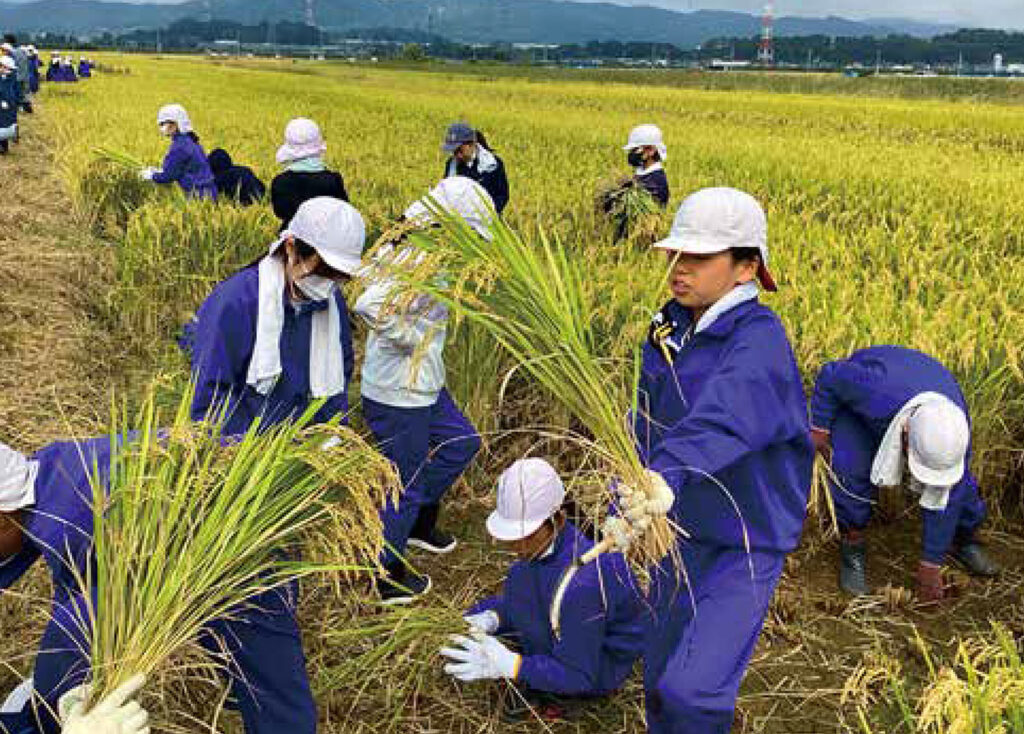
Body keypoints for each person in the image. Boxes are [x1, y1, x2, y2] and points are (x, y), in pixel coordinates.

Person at [633, 187, 812, 733]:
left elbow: (723, 417)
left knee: (692, 691)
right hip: (679, 525)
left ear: (745, 267)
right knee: (659, 673)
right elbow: (648, 408)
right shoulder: (671, 324)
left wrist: (663, 474)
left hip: (744, 539)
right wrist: (633, 474)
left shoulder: (759, 342)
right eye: (676, 255)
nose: (679, 269)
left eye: (698, 257)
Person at [0, 436, 318, 734]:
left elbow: (79, 620)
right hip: (211, 521)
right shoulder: (50, 469)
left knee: (270, 682)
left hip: (245, 544)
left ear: (3, 518)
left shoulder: (67, 524)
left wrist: (59, 695)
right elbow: (77, 592)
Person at [354, 176, 487, 604]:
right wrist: (413, 338)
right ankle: (385, 573)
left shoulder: (434, 252)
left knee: (460, 441)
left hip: (424, 383)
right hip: (398, 392)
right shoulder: (414, 253)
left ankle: (414, 524)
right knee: (405, 482)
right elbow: (368, 302)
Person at [440, 458, 643, 722]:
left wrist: (514, 666)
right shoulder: (538, 556)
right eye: (512, 536)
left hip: (598, 667)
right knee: (522, 581)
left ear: (557, 519)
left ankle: (561, 695)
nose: (517, 546)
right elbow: (530, 599)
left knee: (570, 674)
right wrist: (492, 617)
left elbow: (579, 673)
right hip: (569, 624)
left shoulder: (584, 581)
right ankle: (540, 672)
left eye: (526, 535)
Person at [809, 346, 999, 602]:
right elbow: (830, 374)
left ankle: (965, 540)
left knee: (960, 489)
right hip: (865, 409)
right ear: (906, 436)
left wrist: (931, 564)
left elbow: (948, 497)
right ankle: (852, 547)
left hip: (917, 386)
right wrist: (819, 426)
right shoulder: (875, 390)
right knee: (850, 470)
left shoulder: (954, 430)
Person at [186, 197, 361, 435]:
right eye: (323, 270)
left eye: (339, 275)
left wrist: (330, 435)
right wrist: (243, 453)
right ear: (290, 247)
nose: (328, 282)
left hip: (306, 442)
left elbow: (340, 371)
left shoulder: (330, 301)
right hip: (247, 446)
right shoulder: (238, 300)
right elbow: (210, 394)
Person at [270, 118, 348, 230]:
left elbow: (280, 213)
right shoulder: (333, 180)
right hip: (328, 241)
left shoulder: (281, 182)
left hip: (293, 242)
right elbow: (344, 211)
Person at [139, 104, 217, 200]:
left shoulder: (180, 146)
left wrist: (152, 176)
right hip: (209, 192)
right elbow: (180, 168)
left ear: (175, 124)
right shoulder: (190, 140)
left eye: (164, 124)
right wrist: (159, 171)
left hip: (197, 195)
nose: (162, 128)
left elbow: (170, 176)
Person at [441, 122, 509, 214]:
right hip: (459, 220)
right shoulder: (451, 165)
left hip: (488, 219)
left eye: (459, 150)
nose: (457, 155)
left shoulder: (493, 164)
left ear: (471, 145)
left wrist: (489, 214)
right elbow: (445, 194)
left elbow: (502, 195)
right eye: (454, 151)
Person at [623, 124, 669, 207]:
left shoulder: (656, 180)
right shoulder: (642, 172)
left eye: (635, 150)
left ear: (651, 150)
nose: (632, 154)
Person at [0, 56, 18, 155]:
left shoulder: (11, 78)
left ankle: (4, 146)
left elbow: (15, 91)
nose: (9, 71)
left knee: (6, 125)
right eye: (7, 68)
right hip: (2, 105)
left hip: (9, 105)